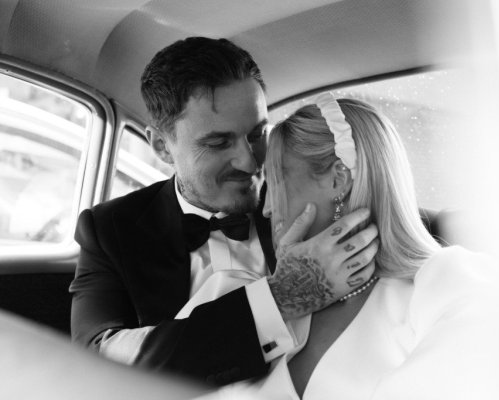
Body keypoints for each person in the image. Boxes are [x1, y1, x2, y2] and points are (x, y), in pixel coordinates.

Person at [69, 37, 379, 386]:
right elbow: (96, 364)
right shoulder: (111, 229)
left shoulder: (304, 196)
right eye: (218, 143)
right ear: (161, 146)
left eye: (258, 134)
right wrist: (281, 298)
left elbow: (391, 211)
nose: (249, 162)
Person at [219, 93, 499, 399]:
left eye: (275, 184)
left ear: (338, 180)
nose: (267, 209)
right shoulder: (277, 298)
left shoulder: (446, 280)